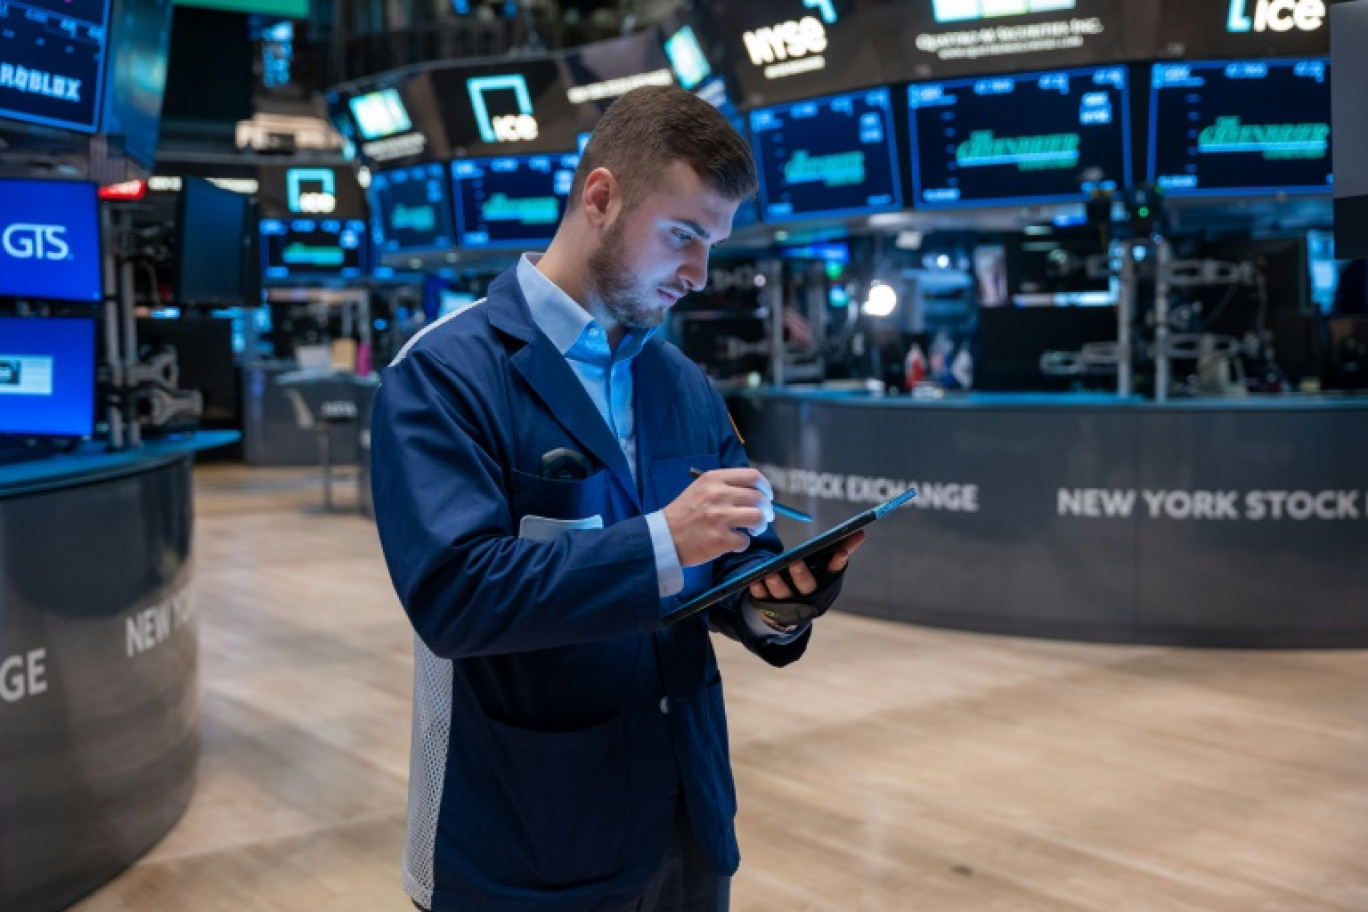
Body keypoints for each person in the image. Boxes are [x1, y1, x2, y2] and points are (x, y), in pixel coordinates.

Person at [370, 85, 865, 912]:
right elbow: (455, 597)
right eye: (683, 236)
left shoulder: (681, 383)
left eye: (713, 245)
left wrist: (777, 602)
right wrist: (666, 540)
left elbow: (723, 574)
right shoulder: (443, 376)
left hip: (688, 825)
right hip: (526, 843)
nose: (700, 275)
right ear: (600, 198)